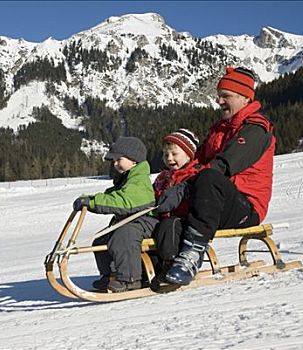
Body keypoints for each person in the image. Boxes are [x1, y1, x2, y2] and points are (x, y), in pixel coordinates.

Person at [157, 67, 276, 286]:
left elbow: (225, 164)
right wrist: (173, 181)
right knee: (170, 216)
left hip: (245, 206)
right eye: (219, 96)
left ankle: (192, 256)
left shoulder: (257, 129)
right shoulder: (219, 128)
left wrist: (187, 185)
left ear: (245, 97)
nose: (220, 101)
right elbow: (196, 161)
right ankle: (161, 265)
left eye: (226, 96)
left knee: (209, 177)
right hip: (212, 203)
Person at [72, 136, 158, 292]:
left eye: (119, 159)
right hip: (131, 221)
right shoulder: (127, 179)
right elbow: (111, 195)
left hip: (144, 222)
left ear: (134, 160)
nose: (115, 163)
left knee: (123, 236)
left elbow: (123, 201)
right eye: (114, 161)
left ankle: (129, 279)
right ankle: (109, 275)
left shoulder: (139, 181)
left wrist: (93, 202)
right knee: (101, 239)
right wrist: (90, 199)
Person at [151, 128, 200, 280]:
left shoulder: (194, 174)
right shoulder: (163, 177)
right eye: (166, 155)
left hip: (184, 219)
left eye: (174, 154)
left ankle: (171, 264)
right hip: (164, 218)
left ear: (188, 154)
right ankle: (147, 269)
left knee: (169, 225)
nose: (169, 158)